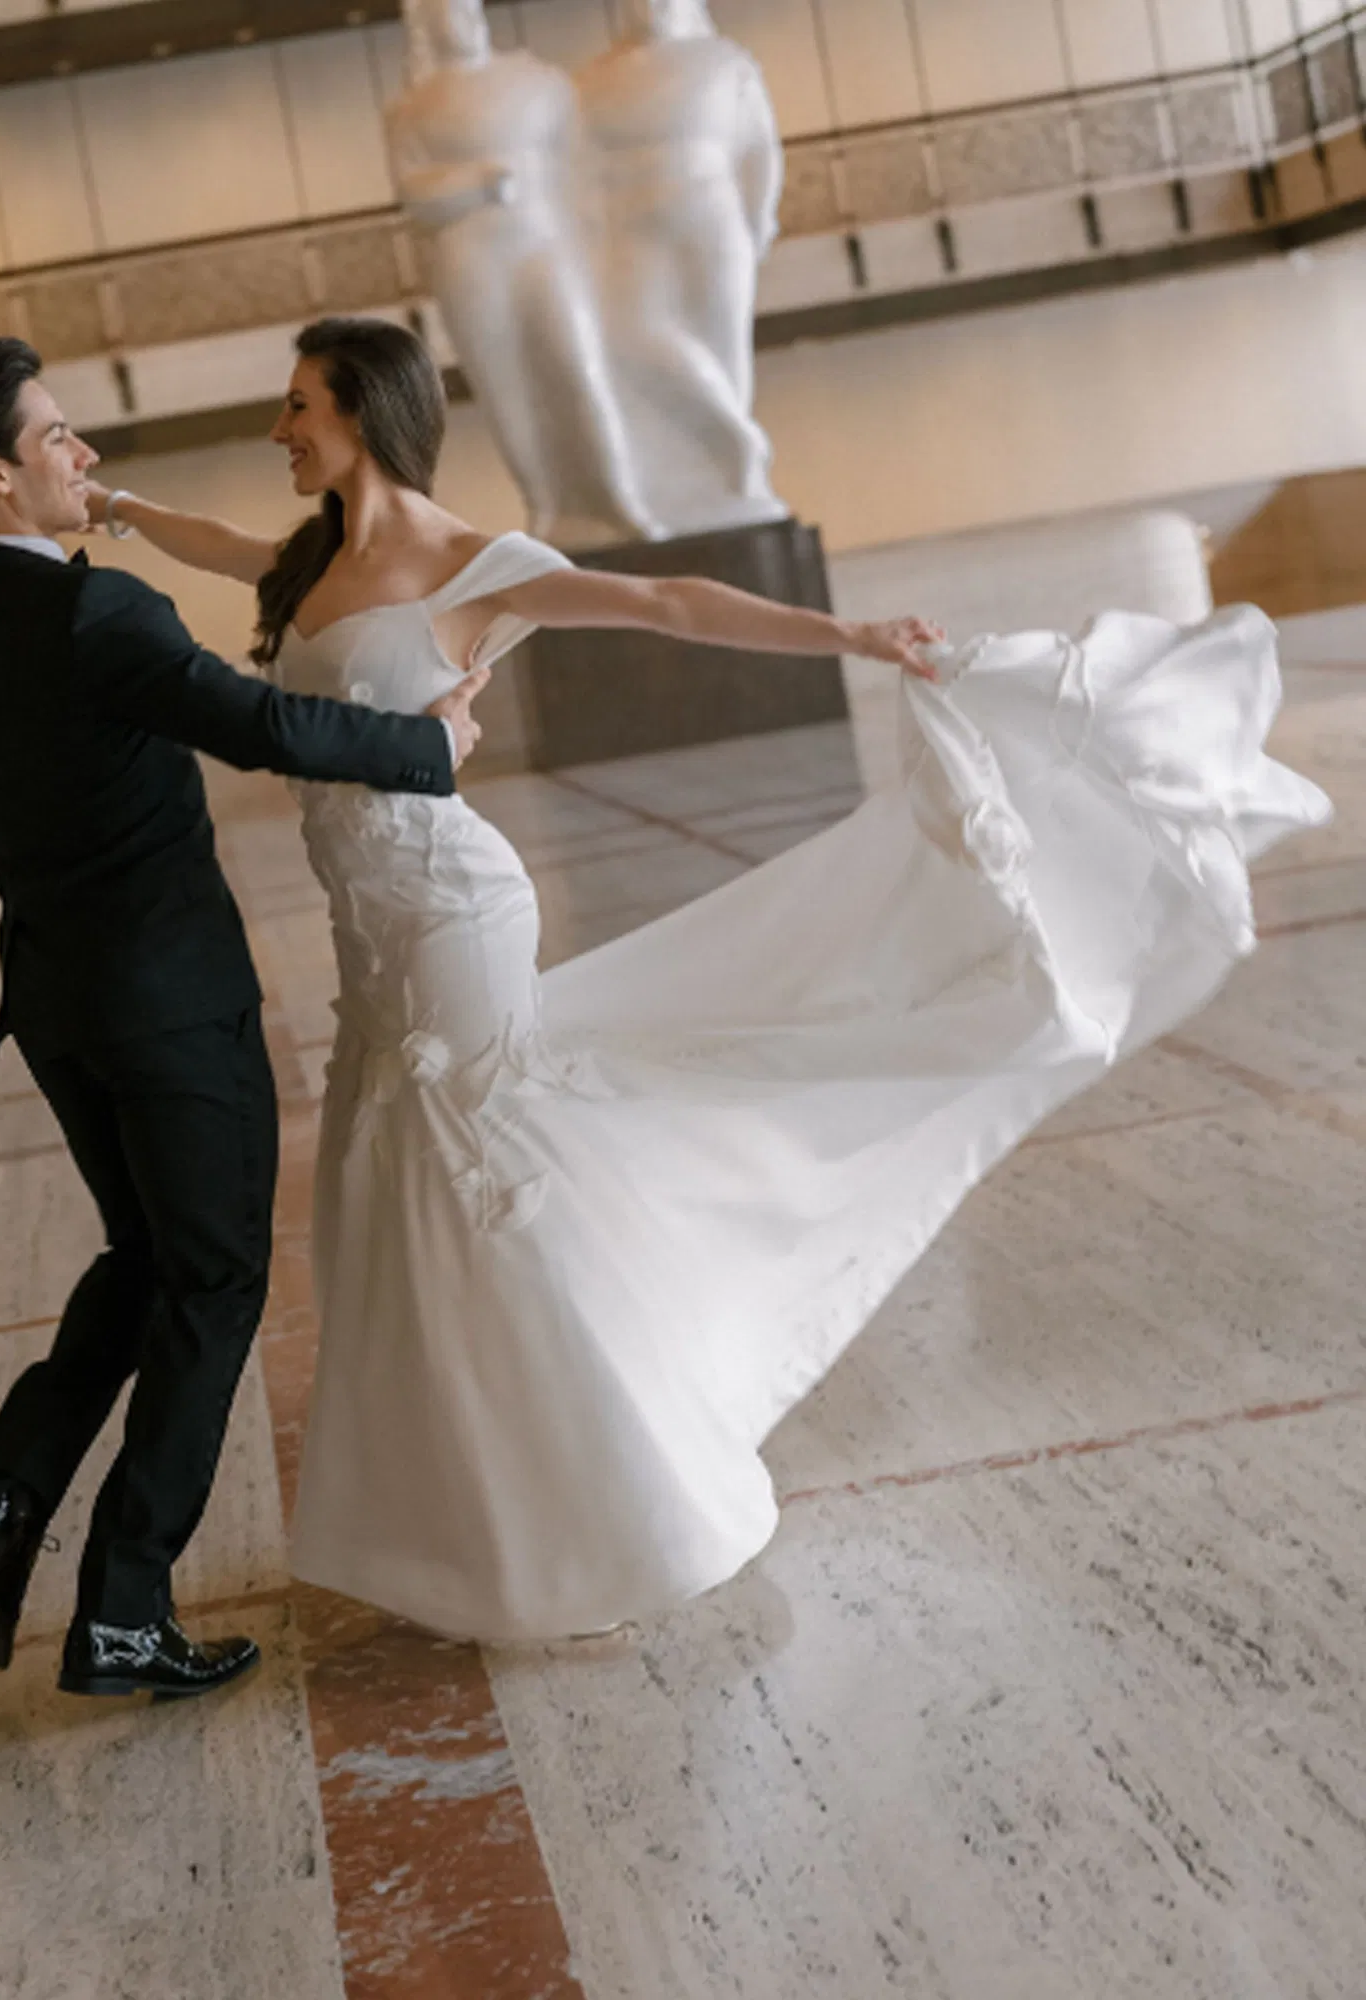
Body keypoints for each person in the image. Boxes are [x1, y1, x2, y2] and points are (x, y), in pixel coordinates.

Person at [83, 314, 1330, 1641]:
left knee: (475, 1178)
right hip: (365, 924)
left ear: (363, 411)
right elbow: (212, 544)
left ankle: (614, 1507)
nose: (279, 430)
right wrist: (113, 508)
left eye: (298, 405)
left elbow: (668, 604)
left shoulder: (474, 566)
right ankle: (459, 1523)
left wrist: (851, 635)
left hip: (449, 908)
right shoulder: (306, 561)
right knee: (388, 1188)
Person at [0, 337, 488, 1697]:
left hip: (58, 1004)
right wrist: (430, 744)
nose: (85, 453)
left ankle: (8, 1497)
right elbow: (262, 726)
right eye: (57, 437)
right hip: (169, 1004)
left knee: (144, 1255)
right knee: (214, 1282)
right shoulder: (100, 615)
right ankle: (123, 1606)